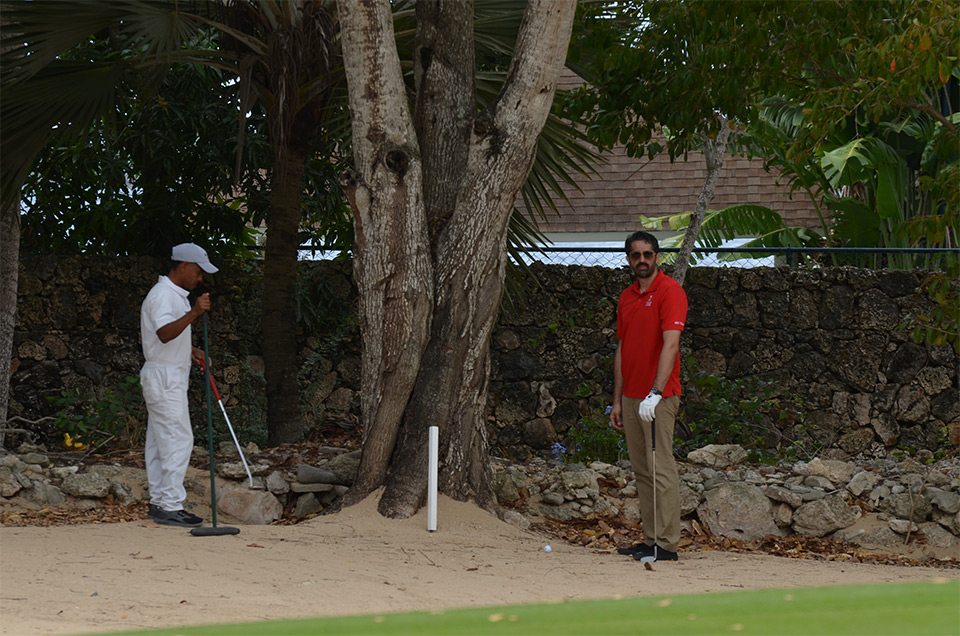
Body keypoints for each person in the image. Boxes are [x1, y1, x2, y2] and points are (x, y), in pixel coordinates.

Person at [609, 231, 688, 562]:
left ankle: (667, 545)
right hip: (630, 397)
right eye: (635, 255)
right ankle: (651, 540)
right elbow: (622, 349)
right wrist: (617, 400)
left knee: (661, 468)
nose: (641, 260)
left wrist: (655, 392)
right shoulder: (627, 296)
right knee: (642, 471)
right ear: (628, 259)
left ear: (657, 256)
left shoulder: (670, 291)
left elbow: (671, 344)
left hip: (659, 397)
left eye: (647, 254)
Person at [140, 243, 218, 527]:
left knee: (159, 442)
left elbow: (165, 337)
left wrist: (190, 349)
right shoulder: (163, 295)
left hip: (166, 373)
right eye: (198, 272)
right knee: (177, 439)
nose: (200, 278)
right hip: (165, 377)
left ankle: (160, 502)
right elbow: (163, 333)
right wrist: (195, 313)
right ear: (183, 266)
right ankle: (171, 505)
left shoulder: (173, 295)